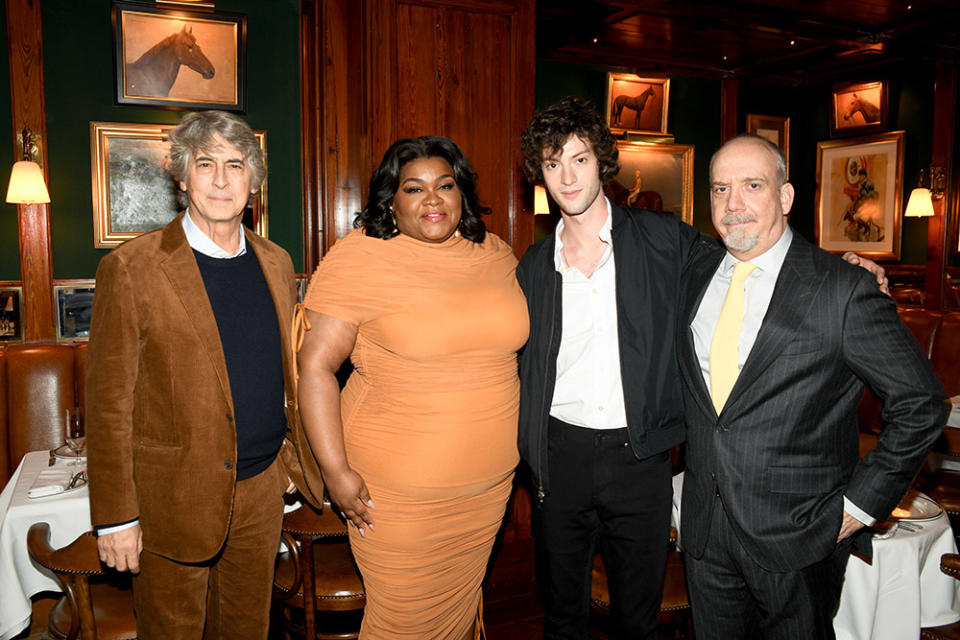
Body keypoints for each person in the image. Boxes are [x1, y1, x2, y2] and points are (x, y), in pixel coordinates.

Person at [516, 97, 889, 640]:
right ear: (541, 174)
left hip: (640, 457)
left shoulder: (664, 239)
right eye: (553, 164)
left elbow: (752, 252)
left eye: (579, 158)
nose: (567, 176)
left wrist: (841, 265)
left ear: (601, 161)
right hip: (559, 454)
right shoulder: (533, 267)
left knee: (638, 619)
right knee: (561, 614)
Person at [677, 134, 947, 639]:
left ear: (785, 197)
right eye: (719, 189)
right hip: (705, 533)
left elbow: (922, 405)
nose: (732, 204)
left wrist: (856, 509)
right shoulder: (695, 273)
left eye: (752, 185)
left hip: (799, 536)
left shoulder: (842, 288)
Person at [86, 110, 324, 639]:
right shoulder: (132, 269)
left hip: (262, 492)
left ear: (253, 182)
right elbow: (108, 407)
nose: (221, 180)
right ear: (181, 176)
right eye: (205, 163)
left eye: (236, 165)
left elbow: (286, 374)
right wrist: (116, 517)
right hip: (172, 500)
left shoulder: (278, 261)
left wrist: (287, 460)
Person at [296, 136, 528, 639]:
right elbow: (314, 367)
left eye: (445, 185)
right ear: (391, 200)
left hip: (487, 489)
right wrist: (335, 471)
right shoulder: (361, 256)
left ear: (462, 192)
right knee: (402, 624)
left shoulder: (495, 254)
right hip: (398, 496)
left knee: (458, 617)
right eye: (413, 188)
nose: (432, 199)